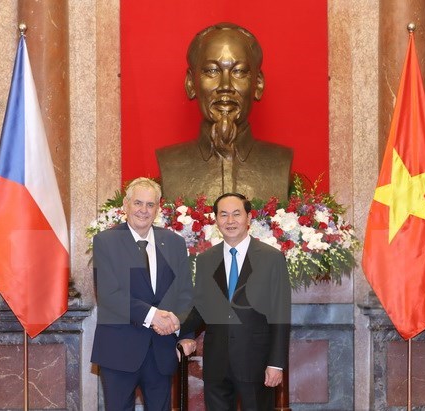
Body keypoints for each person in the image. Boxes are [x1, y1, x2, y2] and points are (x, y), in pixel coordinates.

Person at [156, 22, 293, 202]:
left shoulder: (280, 162)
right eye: (212, 71)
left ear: (258, 84)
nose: (225, 86)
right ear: (191, 83)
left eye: (239, 71)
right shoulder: (170, 163)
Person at [91, 177, 196, 411]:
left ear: (158, 209)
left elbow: (185, 292)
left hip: (162, 351)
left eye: (150, 205)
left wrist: (184, 332)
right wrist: (153, 316)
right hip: (119, 350)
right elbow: (109, 294)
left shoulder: (174, 242)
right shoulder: (106, 241)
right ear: (126, 205)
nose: (143, 210)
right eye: (138, 203)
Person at [180, 193, 291, 410]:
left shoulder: (271, 258)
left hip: (257, 363)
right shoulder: (205, 260)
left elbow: (280, 313)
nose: (230, 221)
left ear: (248, 218)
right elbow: (201, 307)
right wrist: (177, 326)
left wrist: (276, 363)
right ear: (216, 220)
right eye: (224, 215)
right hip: (216, 363)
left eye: (236, 214)